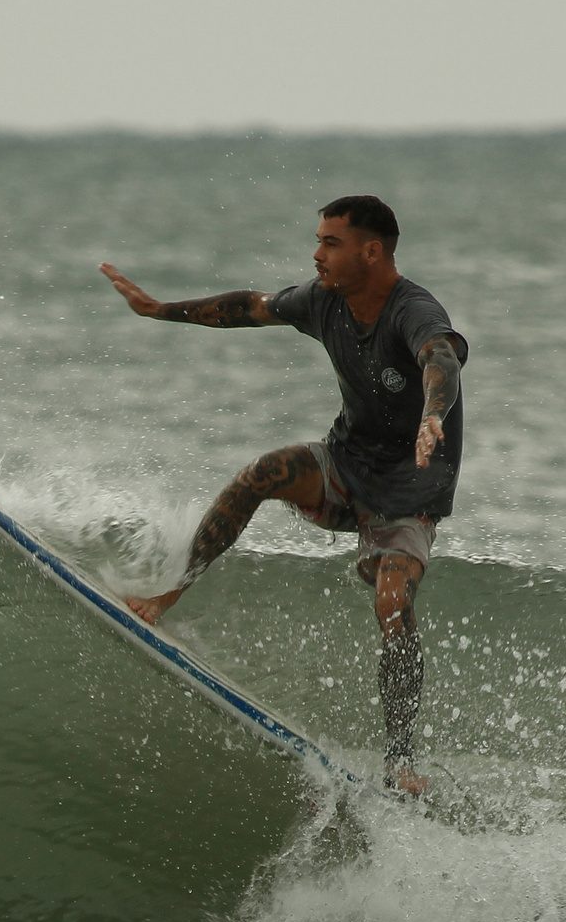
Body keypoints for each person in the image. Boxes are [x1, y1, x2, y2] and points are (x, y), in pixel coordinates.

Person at [100, 195, 466, 795]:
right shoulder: (325, 301)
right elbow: (250, 306)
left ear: (371, 252)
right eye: (318, 241)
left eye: (330, 243)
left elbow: (440, 358)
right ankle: (169, 592)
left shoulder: (413, 310)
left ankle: (400, 764)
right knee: (263, 473)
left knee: (393, 605)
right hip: (345, 465)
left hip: (409, 492)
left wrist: (433, 414)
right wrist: (156, 309)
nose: (317, 254)